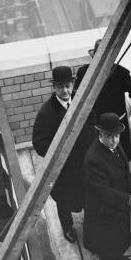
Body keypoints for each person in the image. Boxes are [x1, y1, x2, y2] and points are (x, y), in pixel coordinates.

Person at [32, 66, 94, 243]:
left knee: (90, 196)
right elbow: (39, 144)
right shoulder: (46, 113)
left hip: (85, 163)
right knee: (64, 200)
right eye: (60, 87)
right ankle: (67, 228)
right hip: (64, 170)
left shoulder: (81, 102)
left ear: (73, 84)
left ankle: (91, 227)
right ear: (54, 88)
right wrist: (61, 150)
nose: (65, 90)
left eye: (68, 85)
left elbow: (93, 120)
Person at [83, 113, 131, 260]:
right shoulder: (94, 158)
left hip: (119, 207)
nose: (114, 140)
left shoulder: (114, 147)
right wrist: (129, 199)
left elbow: (124, 171)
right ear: (100, 134)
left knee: (121, 240)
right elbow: (103, 192)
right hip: (104, 213)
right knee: (107, 249)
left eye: (116, 135)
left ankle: (117, 258)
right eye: (110, 136)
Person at [75, 39, 131, 161]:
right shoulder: (84, 73)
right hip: (96, 126)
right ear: (94, 57)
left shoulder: (120, 72)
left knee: (122, 157)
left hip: (118, 126)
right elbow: (76, 95)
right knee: (100, 159)